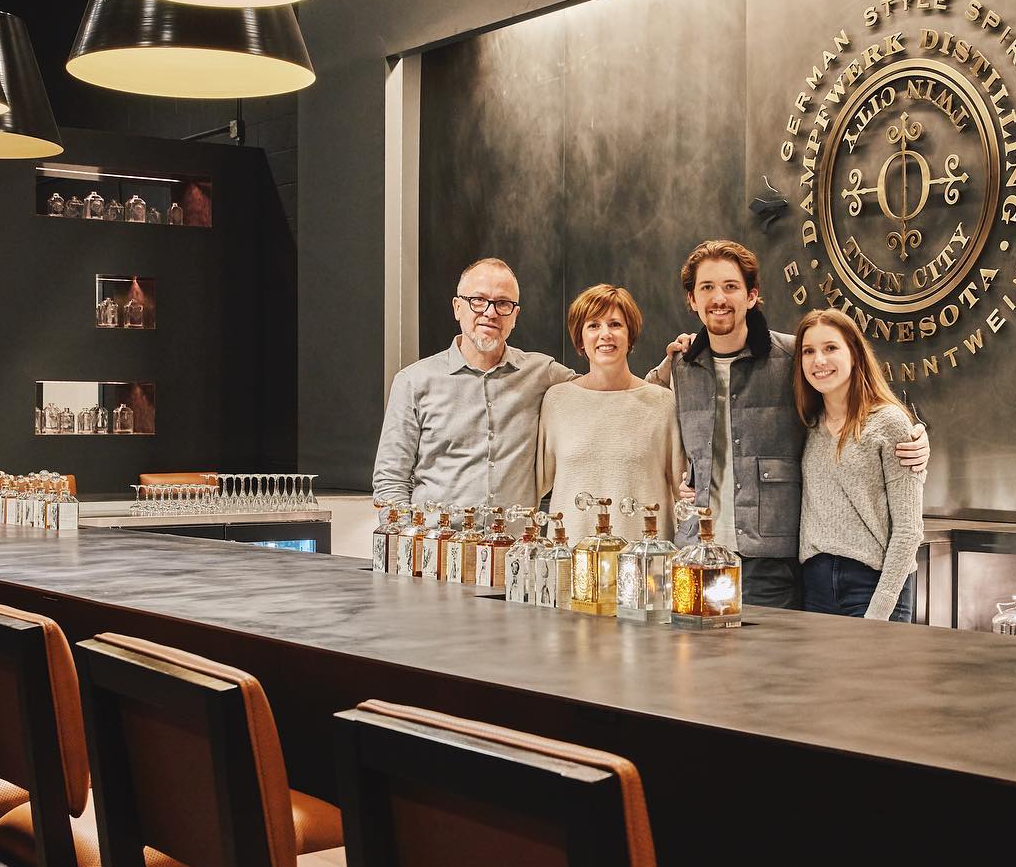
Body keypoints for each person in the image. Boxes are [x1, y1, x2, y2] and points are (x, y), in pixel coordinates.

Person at [647, 240, 930, 610]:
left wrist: (918, 434)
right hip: (696, 551)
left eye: (731, 286)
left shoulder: (794, 357)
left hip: (771, 561)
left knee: (771, 668)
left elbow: (856, 392)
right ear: (692, 300)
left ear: (751, 296)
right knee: (694, 664)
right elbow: (642, 408)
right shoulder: (681, 367)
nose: (719, 297)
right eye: (707, 287)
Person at [372, 258, 573, 511]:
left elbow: (598, 390)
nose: (490, 313)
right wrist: (405, 544)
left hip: (514, 548)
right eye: (478, 300)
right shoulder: (413, 381)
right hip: (438, 547)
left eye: (503, 303)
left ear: (515, 316)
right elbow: (390, 481)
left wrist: (640, 389)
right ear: (457, 307)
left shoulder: (541, 373)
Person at [795, 308, 925, 622]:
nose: (819, 361)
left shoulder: (888, 422)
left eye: (830, 348)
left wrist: (880, 608)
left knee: (875, 673)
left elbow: (909, 531)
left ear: (854, 353)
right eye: (808, 351)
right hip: (816, 584)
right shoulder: (807, 425)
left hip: (873, 583)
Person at [537, 285, 686, 541]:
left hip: (645, 564)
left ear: (630, 336)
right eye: (593, 325)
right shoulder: (557, 401)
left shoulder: (663, 403)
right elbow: (535, 485)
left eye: (615, 324)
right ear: (580, 339)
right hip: (571, 563)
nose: (605, 334)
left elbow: (684, 491)